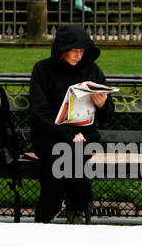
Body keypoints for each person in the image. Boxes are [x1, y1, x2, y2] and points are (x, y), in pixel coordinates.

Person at [29, 23, 115, 223]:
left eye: (82, 51)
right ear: (62, 50)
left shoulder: (92, 71)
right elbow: (40, 112)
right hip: (50, 137)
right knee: (63, 153)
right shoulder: (42, 70)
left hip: (83, 137)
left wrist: (102, 105)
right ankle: (78, 207)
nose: (78, 55)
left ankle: (47, 212)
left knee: (71, 153)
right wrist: (68, 133)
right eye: (74, 51)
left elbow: (107, 114)